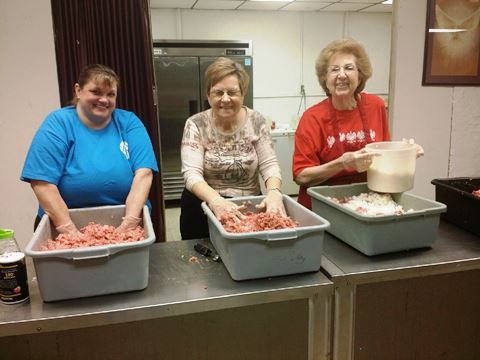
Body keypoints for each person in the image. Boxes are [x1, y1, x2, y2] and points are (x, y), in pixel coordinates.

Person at [21, 64, 159, 234]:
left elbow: (144, 173)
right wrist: (70, 232)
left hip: (126, 224)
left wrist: (128, 225)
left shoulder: (129, 123)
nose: (104, 99)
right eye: (96, 92)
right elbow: (42, 182)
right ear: (78, 91)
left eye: (111, 94)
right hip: (61, 225)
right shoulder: (58, 123)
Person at [180, 57, 284, 240]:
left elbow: (269, 164)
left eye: (232, 92)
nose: (225, 99)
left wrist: (274, 192)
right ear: (208, 94)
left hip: (248, 205)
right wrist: (215, 200)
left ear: (243, 93)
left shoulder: (256, 120)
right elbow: (191, 174)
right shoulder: (196, 124)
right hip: (203, 205)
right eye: (218, 92)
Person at [293, 38, 391, 209]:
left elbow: (385, 155)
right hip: (323, 206)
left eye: (349, 68)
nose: (342, 75)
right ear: (325, 78)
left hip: (368, 203)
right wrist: (342, 163)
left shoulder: (376, 106)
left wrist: (407, 154)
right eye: (334, 69)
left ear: (360, 74)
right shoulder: (312, 118)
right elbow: (301, 176)